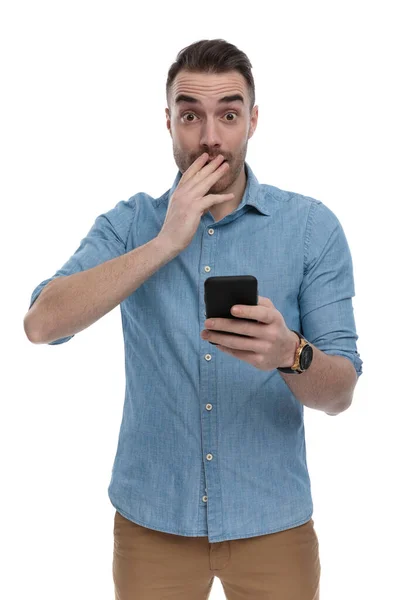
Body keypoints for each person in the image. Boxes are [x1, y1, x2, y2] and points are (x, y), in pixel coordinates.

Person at [24, 38, 363, 600]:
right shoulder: (131, 224)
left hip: (272, 521)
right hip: (151, 522)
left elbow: (341, 393)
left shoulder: (311, 229)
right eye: (191, 116)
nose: (210, 136)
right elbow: (42, 324)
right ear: (168, 122)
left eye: (229, 115)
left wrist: (290, 353)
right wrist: (164, 243)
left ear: (252, 120)